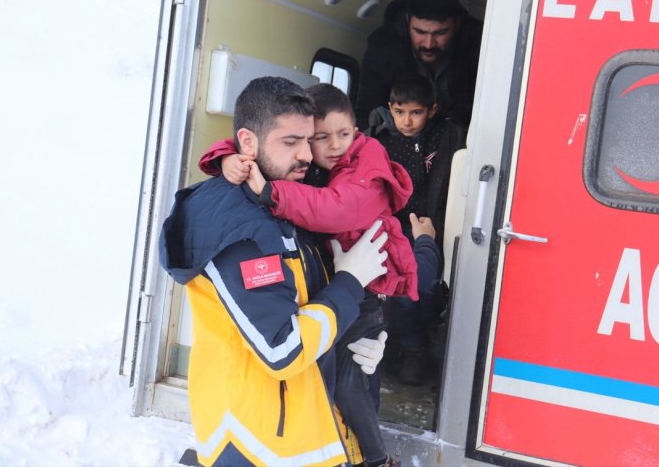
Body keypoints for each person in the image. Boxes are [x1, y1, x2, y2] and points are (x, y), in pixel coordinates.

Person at [199, 83, 441, 467]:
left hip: (364, 297)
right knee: (350, 378)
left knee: (356, 377)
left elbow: (335, 211)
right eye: (312, 139)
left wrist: (272, 193)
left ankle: (372, 457)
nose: (322, 148)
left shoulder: (359, 169)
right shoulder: (243, 220)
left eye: (341, 135)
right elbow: (283, 348)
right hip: (256, 442)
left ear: (358, 131)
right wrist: (224, 158)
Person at [158, 76, 391, 467]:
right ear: (247, 142)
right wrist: (350, 285)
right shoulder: (240, 232)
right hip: (257, 448)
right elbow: (283, 348)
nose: (305, 155)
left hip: (298, 438)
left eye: (308, 139)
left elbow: (304, 303)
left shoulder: (279, 198)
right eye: (290, 142)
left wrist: (358, 340)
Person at [368, 72, 467, 385]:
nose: (407, 121)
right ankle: (406, 348)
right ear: (389, 108)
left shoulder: (448, 138)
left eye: (416, 112)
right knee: (399, 288)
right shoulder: (383, 142)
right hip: (394, 227)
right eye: (399, 112)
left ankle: (418, 348)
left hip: (433, 227)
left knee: (420, 287)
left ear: (432, 110)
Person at [354, 0, 482, 130]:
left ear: (457, 24)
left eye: (441, 33)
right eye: (420, 32)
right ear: (408, 21)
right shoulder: (383, 48)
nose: (429, 44)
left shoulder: (479, 47)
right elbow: (366, 112)